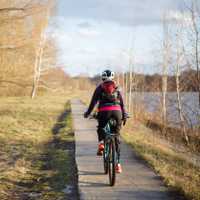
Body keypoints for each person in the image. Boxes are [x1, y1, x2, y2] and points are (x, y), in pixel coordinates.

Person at [84, 69, 128, 173]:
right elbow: (122, 104)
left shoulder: (100, 87)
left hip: (104, 112)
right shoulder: (117, 87)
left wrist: (87, 113)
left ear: (102, 78)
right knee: (116, 136)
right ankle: (118, 164)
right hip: (117, 112)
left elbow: (93, 102)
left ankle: (101, 144)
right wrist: (124, 115)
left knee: (101, 127)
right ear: (113, 78)